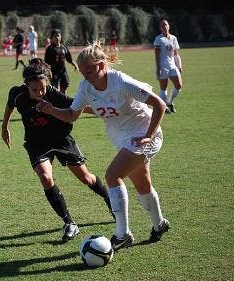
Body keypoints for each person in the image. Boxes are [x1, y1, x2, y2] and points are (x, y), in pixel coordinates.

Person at [36, 42, 171, 251]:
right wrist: (51, 109)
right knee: (142, 184)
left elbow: (159, 105)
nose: (86, 76)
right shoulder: (86, 86)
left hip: (143, 135)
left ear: (101, 66)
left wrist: (148, 135)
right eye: (82, 72)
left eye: (89, 71)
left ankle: (122, 234)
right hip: (124, 139)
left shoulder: (121, 81)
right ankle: (159, 224)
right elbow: (73, 114)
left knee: (112, 175)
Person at [1, 58, 113, 242]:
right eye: (35, 90)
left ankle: (110, 202)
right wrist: (4, 127)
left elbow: (78, 107)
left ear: (48, 83)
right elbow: (9, 105)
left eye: (43, 88)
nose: (40, 93)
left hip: (61, 139)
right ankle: (69, 223)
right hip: (36, 142)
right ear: (26, 86)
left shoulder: (53, 94)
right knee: (45, 177)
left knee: (86, 178)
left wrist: (106, 110)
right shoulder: (17, 94)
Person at [153, 19, 183, 113]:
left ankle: (170, 102)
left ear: (169, 26)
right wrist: (158, 68)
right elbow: (157, 55)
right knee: (163, 87)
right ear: (160, 28)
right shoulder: (159, 39)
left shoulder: (173, 38)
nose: (164, 27)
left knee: (178, 85)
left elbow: (175, 53)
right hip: (163, 66)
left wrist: (179, 65)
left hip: (173, 66)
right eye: (162, 26)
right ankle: (164, 107)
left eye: (166, 25)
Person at [44, 29, 78, 94]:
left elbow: (69, 59)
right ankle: (57, 102)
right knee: (56, 89)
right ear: (52, 38)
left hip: (63, 71)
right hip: (54, 72)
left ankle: (62, 101)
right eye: (55, 36)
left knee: (65, 86)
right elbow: (46, 63)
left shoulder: (64, 47)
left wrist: (75, 65)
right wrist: (48, 72)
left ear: (60, 36)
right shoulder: (50, 49)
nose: (57, 37)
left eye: (58, 35)